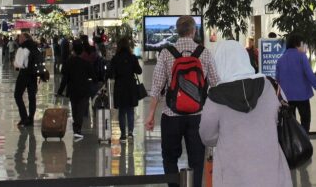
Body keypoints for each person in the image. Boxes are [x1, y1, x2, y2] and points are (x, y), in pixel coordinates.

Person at [199, 40, 292, 187]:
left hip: (232, 173)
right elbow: (281, 113)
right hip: (270, 167)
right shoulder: (268, 85)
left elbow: (207, 136)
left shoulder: (215, 96)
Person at [146, 15, 219, 187]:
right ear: (194, 31)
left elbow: (156, 87)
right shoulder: (204, 53)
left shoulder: (166, 53)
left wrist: (150, 115)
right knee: (197, 159)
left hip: (171, 115)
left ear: (177, 32)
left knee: (169, 158)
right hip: (198, 116)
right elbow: (216, 85)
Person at [274, 32, 316, 133]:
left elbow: (277, 80)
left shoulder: (280, 60)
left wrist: (279, 97)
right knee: (305, 120)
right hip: (302, 96)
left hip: (287, 97)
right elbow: (309, 74)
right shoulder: (302, 56)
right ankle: (304, 140)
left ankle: (294, 142)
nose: (303, 46)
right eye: (302, 44)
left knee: (291, 122)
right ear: (297, 44)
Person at [59, 41, 95, 139]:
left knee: (75, 109)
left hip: (72, 89)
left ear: (73, 50)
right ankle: (77, 128)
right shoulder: (86, 63)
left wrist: (60, 91)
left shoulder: (68, 62)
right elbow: (92, 75)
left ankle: (76, 128)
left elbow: (64, 78)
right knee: (81, 109)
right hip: (83, 89)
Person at [109, 36, 143, 141]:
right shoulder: (132, 58)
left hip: (119, 86)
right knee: (130, 111)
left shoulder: (115, 59)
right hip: (131, 86)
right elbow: (139, 71)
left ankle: (123, 134)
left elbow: (111, 73)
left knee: (122, 111)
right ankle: (130, 133)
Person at [13, 32, 40, 128]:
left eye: (20, 37)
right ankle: (31, 118)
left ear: (24, 38)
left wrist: (15, 64)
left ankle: (24, 118)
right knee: (32, 97)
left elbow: (18, 63)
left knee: (17, 95)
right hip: (33, 75)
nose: (19, 39)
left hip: (24, 74)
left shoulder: (22, 48)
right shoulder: (35, 47)